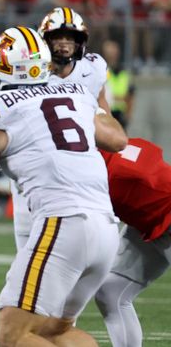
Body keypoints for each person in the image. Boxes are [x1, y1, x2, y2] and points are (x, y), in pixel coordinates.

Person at [0, 26, 126, 347]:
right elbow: (117, 139)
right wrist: (97, 103)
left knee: (13, 335)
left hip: (64, 223)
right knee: (56, 331)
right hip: (106, 229)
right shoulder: (75, 94)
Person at [7, 7, 127, 249]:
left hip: (77, 169)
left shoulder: (92, 70)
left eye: (70, 38)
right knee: (29, 248)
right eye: (57, 37)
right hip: (37, 171)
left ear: (80, 42)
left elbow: (107, 120)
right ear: (45, 41)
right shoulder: (28, 73)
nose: (64, 44)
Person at [94, 137, 171, 347]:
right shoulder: (112, 146)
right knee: (111, 292)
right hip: (150, 219)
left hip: (165, 214)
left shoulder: (90, 169)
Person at [101, 39, 134, 129]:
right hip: (105, 114)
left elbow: (130, 96)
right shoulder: (101, 71)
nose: (112, 53)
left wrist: (128, 115)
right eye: (109, 50)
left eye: (114, 50)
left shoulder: (124, 73)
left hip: (120, 116)